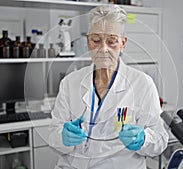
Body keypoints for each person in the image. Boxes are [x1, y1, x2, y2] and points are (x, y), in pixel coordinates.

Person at [49, 5, 169, 169]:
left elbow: (160, 140)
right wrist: (62, 137)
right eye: (96, 40)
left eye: (112, 41)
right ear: (88, 42)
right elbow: (53, 134)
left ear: (122, 43)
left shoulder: (142, 84)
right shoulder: (70, 82)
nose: (103, 49)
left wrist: (144, 139)